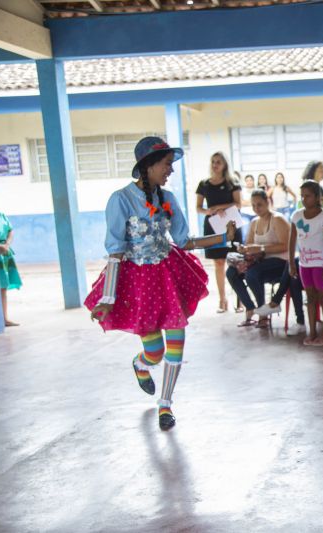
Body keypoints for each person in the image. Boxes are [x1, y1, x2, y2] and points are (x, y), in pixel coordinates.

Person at [85, 136, 237, 430]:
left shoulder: (168, 199)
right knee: (154, 351)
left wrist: (223, 238)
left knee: (177, 343)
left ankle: (165, 405)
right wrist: (107, 298)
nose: (170, 170)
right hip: (139, 280)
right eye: (167, 164)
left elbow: (184, 241)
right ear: (149, 165)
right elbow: (115, 250)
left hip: (168, 275)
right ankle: (141, 364)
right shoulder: (121, 199)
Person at [260, 180, 323, 345]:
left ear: (318, 197)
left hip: (320, 264)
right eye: (302, 196)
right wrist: (292, 263)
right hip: (304, 265)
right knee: (310, 297)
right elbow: (292, 241)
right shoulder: (297, 215)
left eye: (308, 196)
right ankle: (312, 331)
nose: (304, 199)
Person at [226, 190, 296, 328]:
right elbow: (249, 245)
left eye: (260, 205)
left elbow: (286, 246)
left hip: (281, 263)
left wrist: (260, 248)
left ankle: (263, 313)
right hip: (261, 262)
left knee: (252, 274)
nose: (256, 208)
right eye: (253, 205)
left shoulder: (277, 219)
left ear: (268, 203)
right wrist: (244, 250)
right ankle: (250, 308)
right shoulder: (254, 222)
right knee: (231, 272)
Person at [195, 152, 243, 313]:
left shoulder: (232, 183)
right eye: (213, 161)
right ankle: (222, 300)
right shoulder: (204, 184)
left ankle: (240, 300)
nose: (215, 165)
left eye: (219, 162)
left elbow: (238, 204)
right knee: (218, 262)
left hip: (231, 224)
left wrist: (221, 207)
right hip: (212, 226)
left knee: (236, 262)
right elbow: (198, 208)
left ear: (225, 165)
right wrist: (210, 211)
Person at [0, 176, 21, 327]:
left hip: (4, 254)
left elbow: (10, 230)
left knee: (2, 287)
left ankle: (4, 318)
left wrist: (6, 245)